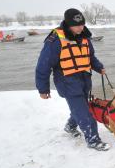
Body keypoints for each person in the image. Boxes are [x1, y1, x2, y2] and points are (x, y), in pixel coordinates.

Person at [35, 8, 110, 151]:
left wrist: (98, 67)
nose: (81, 28)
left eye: (82, 24)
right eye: (77, 25)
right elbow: (43, 64)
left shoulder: (85, 36)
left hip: (84, 79)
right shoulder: (56, 38)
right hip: (67, 81)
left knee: (81, 107)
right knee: (83, 112)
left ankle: (70, 126)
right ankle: (93, 140)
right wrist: (43, 88)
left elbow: (90, 56)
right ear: (68, 24)